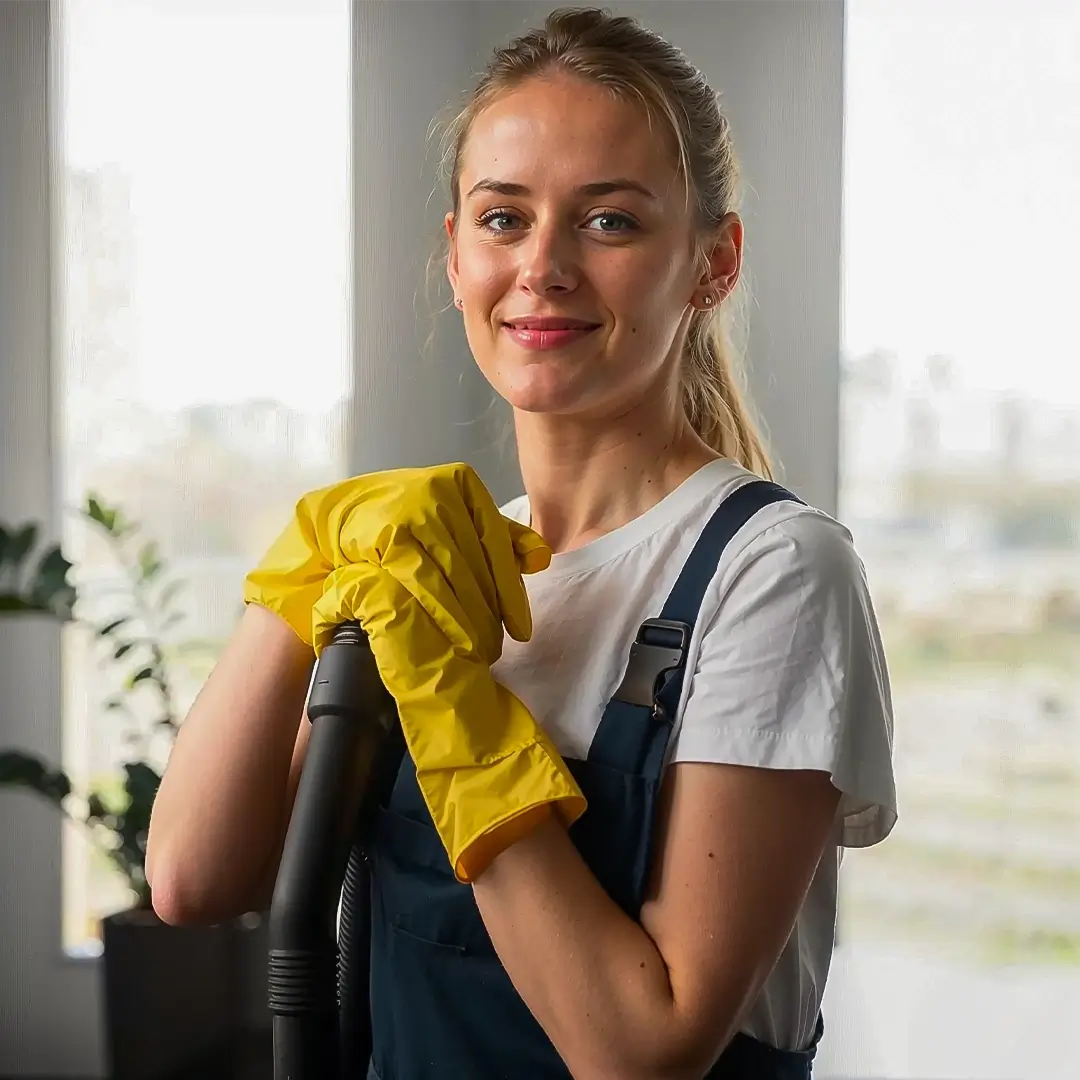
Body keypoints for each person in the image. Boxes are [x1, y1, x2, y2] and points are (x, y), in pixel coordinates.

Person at [145, 7, 896, 1079]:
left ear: (712, 263)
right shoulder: (435, 563)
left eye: (610, 222)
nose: (542, 267)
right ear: (455, 255)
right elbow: (193, 879)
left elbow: (644, 1051)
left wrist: (464, 714)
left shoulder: (772, 571)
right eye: (503, 218)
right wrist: (305, 564)